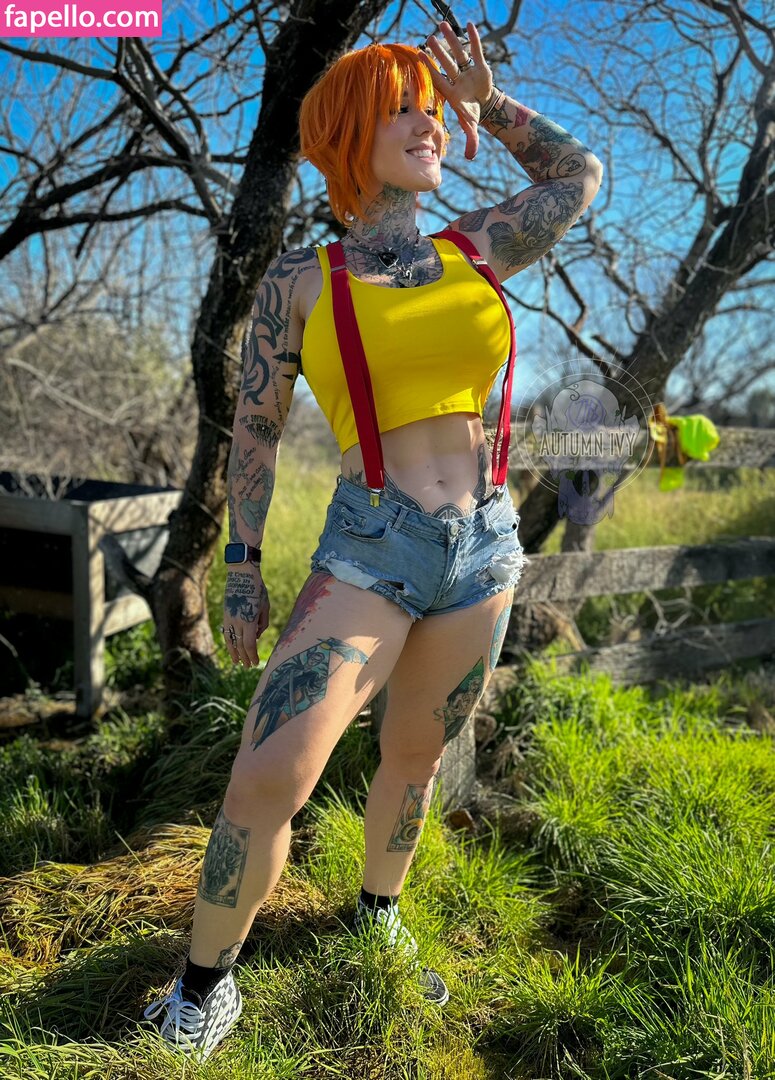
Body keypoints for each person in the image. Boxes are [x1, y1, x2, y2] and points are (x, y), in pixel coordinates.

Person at [141, 18, 603, 1061]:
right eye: (404, 109)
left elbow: (578, 175)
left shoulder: (476, 245)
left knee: (416, 753)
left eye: (432, 111)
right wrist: (242, 564)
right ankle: (201, 988)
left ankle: (376, 917)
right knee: (267, 777)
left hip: (482, 548)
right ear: (349, 132)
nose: (429, 126)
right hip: (369, 549)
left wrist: (489, 105)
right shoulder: (299, 283)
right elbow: (254, 430)